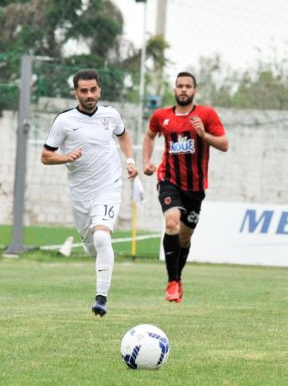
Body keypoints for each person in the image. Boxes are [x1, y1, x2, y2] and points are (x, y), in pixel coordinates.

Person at [41, 68, 138, 317]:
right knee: (92, 246)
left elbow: (124, 136)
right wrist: (66, 157)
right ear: (76, 93)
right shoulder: (64, 121)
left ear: (99, 90)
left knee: (102, 237)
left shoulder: (111, 115)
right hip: (80, 194)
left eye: (93, 90)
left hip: (108, 187)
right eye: (84, 91)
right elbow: (46, 156)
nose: (89, 95)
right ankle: (99, 255)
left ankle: (101, 298)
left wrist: (129, 161)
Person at [143, 71, 228, 303]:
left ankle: (177, 279)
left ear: (194, 91)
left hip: (195, 187)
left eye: (187, 86)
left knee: (184, 238)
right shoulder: (161, 116)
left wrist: (203, 134)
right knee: (172, 222)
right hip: (168, 179)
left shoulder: (206, 114)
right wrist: (147, 161)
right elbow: (149, 135)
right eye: (179, 86)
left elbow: (224, 144)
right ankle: (172, 282)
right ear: (174, 89)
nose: (183, 90)